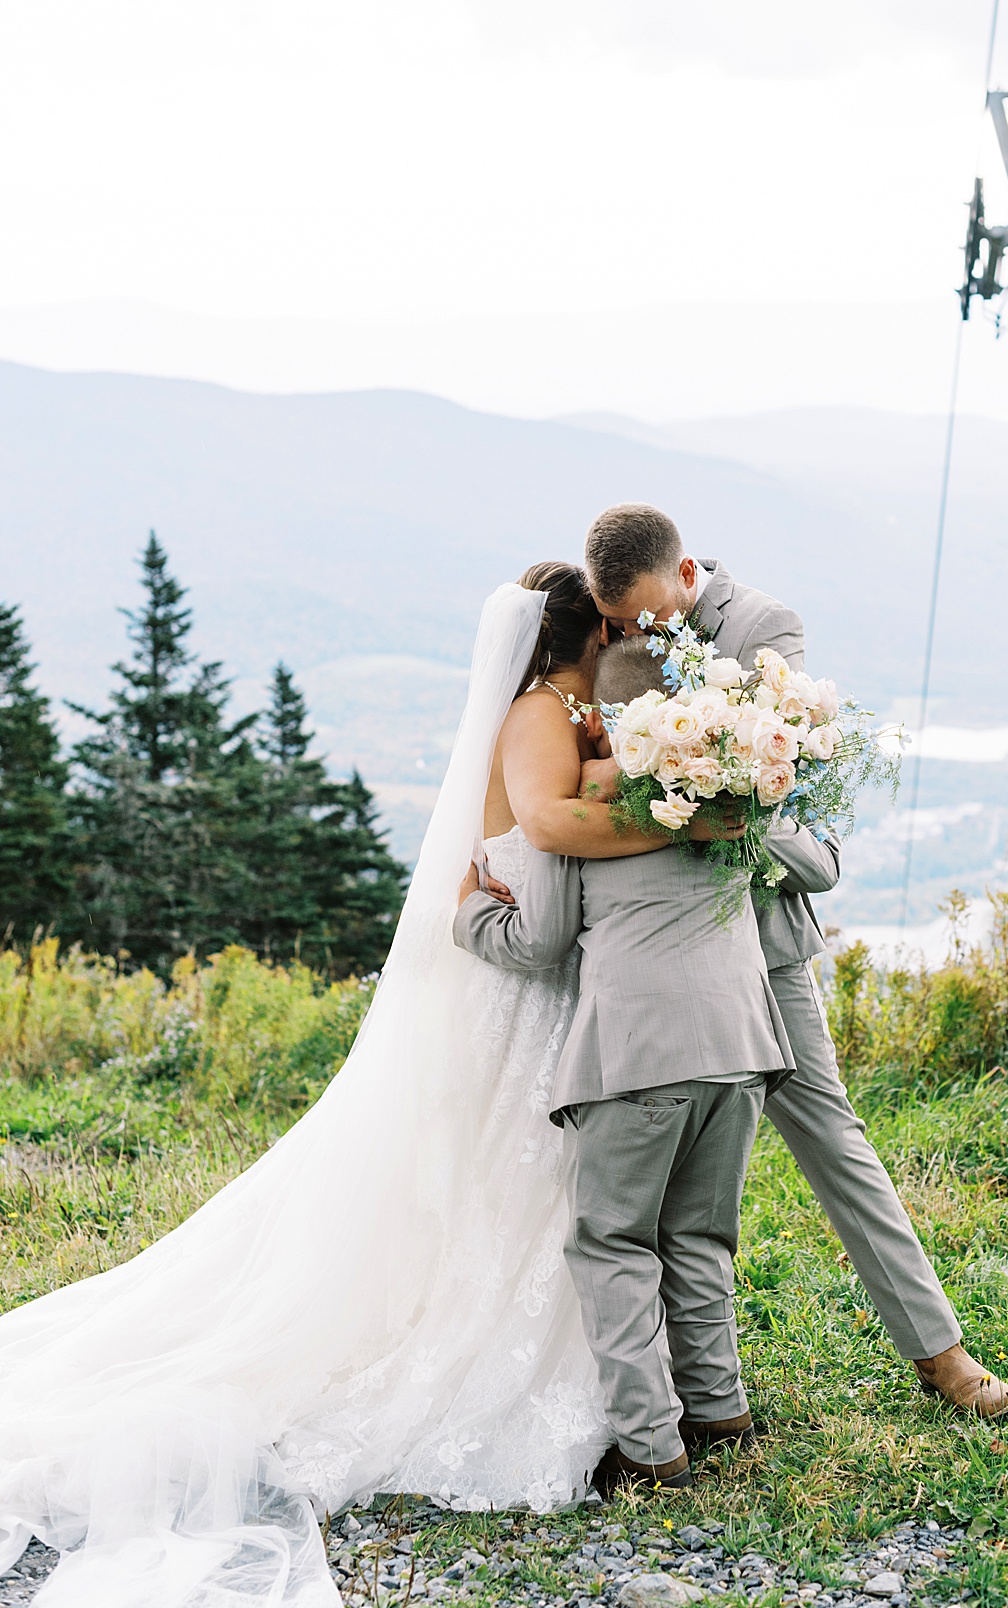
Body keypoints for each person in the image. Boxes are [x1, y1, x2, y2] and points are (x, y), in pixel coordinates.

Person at [0, 572, 666, 1608]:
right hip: (518, 977)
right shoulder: (541, 715)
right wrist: (685, 823)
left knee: (514, 1168)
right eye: (616, 621)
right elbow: (543, 830)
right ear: (588, 632)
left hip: (536, 970)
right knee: (512, 1165)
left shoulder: (569, 707)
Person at [579, 502, 1008, 1422]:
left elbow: (779, 803)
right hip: (650, 963)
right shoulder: (610, 630)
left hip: (764, 946)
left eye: (649, 615)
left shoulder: (763, 632)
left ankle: (943, 1355)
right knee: (649, 1203)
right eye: (621, 621)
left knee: (833, 1140)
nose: (636, 634)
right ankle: (661, 1402)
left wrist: (717, 808)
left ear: (688, 572)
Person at [455, 635, 795, 1494]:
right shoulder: (725, 798)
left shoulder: (592, 813)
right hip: (744, 1052)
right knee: (700, 1236)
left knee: (611, 1244)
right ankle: (720, 1413)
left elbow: (536, 942)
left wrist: (466, 916)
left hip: (638, 1057)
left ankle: (653, 1449)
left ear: (607, 726)